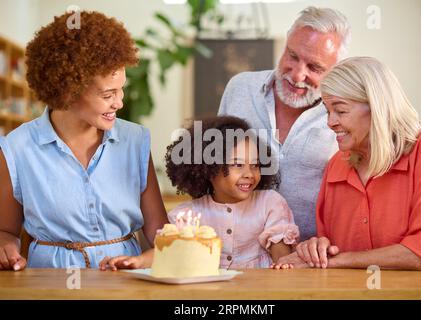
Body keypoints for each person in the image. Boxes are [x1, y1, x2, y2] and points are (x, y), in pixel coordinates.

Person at [0, 11, 168, 270]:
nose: (119, 102)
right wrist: (7, 249)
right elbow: (6, 232)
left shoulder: (135, 141)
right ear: (68, 91)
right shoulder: (17, 147)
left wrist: (144, 260)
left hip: (122, 283)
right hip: (49, 284)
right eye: (108, 94)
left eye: (121, 89)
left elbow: (162, 236)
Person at [276, 57, 421, 270]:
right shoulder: (335, 165)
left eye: (340, 111)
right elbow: (330, 247)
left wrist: (337, 261)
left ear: (377, 107)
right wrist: (317, 249)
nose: (330, 122)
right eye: (327, 111)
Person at [218, 7, 350, 241]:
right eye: (293, 56)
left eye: (315, 68)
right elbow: (215, 165)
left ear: (336, 71)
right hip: (234, 251)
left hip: (307, 259)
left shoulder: (344, 114)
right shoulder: (240, 88)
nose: (297, 74)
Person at [99, 116, 299, 270]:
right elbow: (169, 252)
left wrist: (283, 265)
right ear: (209, 169)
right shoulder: (189, 215)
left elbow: (280, 253)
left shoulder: (270, 203)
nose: (249, 174)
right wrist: (137, 261)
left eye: (255, 165)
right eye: (237, 164)